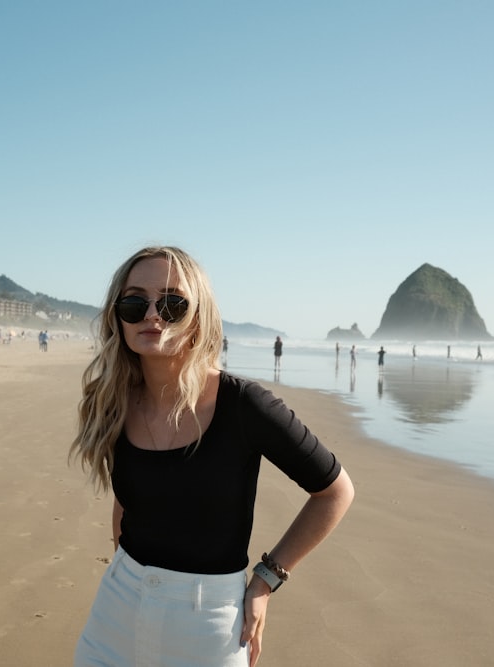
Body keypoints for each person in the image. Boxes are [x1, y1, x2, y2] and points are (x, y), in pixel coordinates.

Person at [70, 246, 354, 667]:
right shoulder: (113, 402)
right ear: (118, 316)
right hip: (116, 611)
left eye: (172, 303)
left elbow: (335, 492)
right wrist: (124, 569)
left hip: (209, 626)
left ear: (198, 316)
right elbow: (128, 501)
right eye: (134, 302)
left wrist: (266, 579)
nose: (153, 315)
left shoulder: (244, 405)